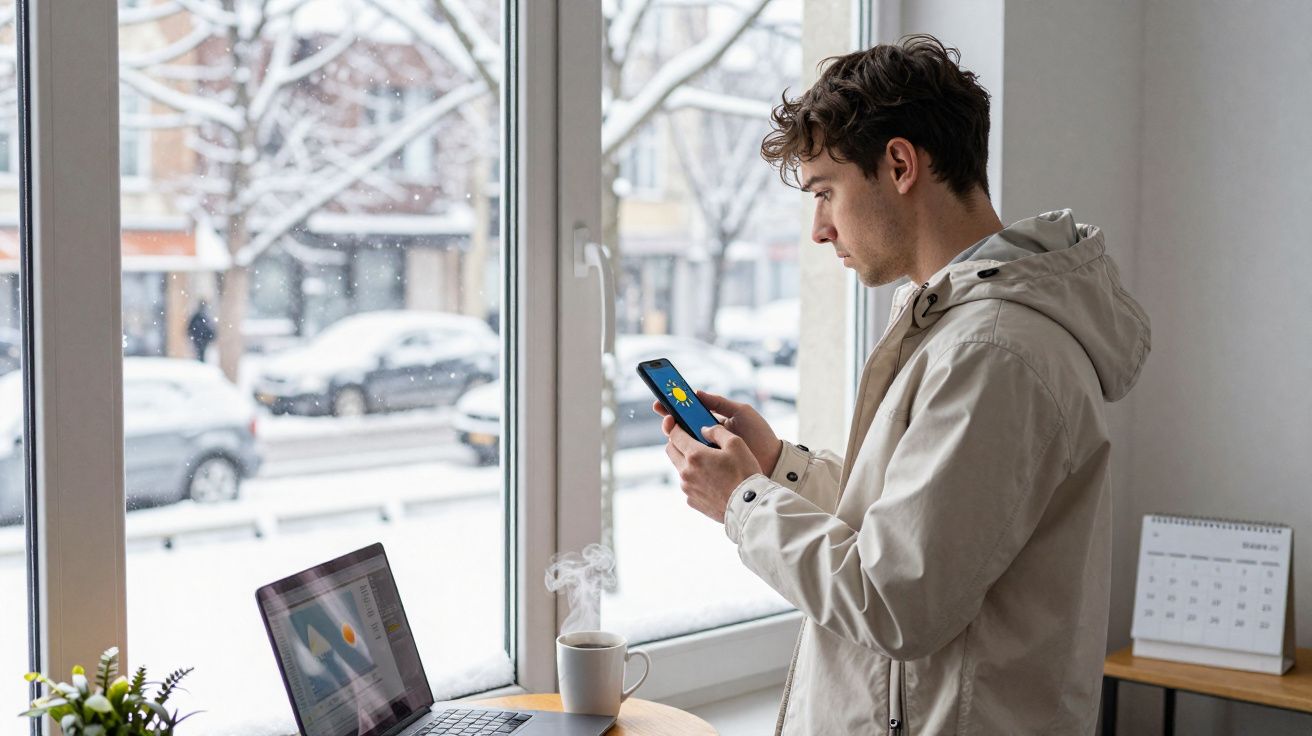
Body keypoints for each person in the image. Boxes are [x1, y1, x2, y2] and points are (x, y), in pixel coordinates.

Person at [653, 35, 1150, 734]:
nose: (821, 229)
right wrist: (776, 467)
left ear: (899, 163)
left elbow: (894, 602)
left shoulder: (994, 352)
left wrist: (743, 500)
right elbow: (908, 534)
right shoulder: (960, 329)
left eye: (826, 192)